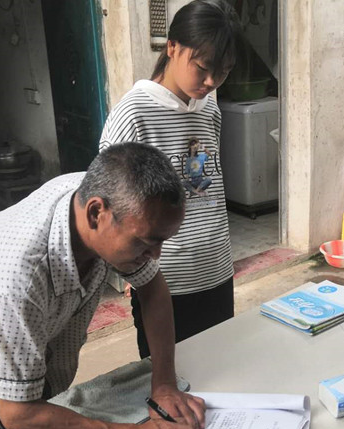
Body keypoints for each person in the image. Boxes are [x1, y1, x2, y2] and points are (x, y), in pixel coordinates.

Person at [0, 142, 205, 429]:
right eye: (146, 242)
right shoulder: (17, 281)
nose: (155, 255)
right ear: (96, 213)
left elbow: (152, 287)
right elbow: (18, 415)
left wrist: (164, 383)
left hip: (29, 383)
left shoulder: (101, 199)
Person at [100, 0, 242, 356]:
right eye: (203, 68)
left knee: (222, 367)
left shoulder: (209, 108)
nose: (211, 82)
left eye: (222, 72)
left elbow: (209, 184)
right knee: (169, 379)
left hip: (217, 270)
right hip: (163, 283)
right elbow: (111, 205)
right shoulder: (133, 114)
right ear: (173, 47)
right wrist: (131, 269)